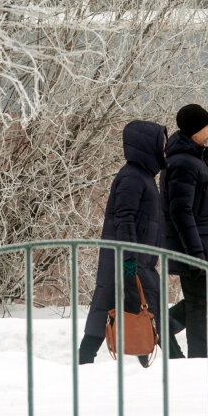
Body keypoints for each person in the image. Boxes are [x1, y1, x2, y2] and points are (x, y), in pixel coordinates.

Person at [79, 120, 184, 365]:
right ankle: (176, 363)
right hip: (129, 261)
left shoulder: (142, 177)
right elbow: (124, 220)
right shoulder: (133, 178)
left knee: (141, 310)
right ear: (149, 146)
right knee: (145, 311)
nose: (165, 149)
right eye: (162, 144)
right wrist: (129, 260)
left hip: (135, 261)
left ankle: (95, 360)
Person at [161, 103, 208, 359]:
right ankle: (162, 328)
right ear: (195, 130)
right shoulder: (185, 164)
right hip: (193, 248)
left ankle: (195, 357)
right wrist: (195, 252)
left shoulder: (191, 161)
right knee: (199, 305)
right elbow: (181, 212)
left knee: (201, 305)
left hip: (198, 246)